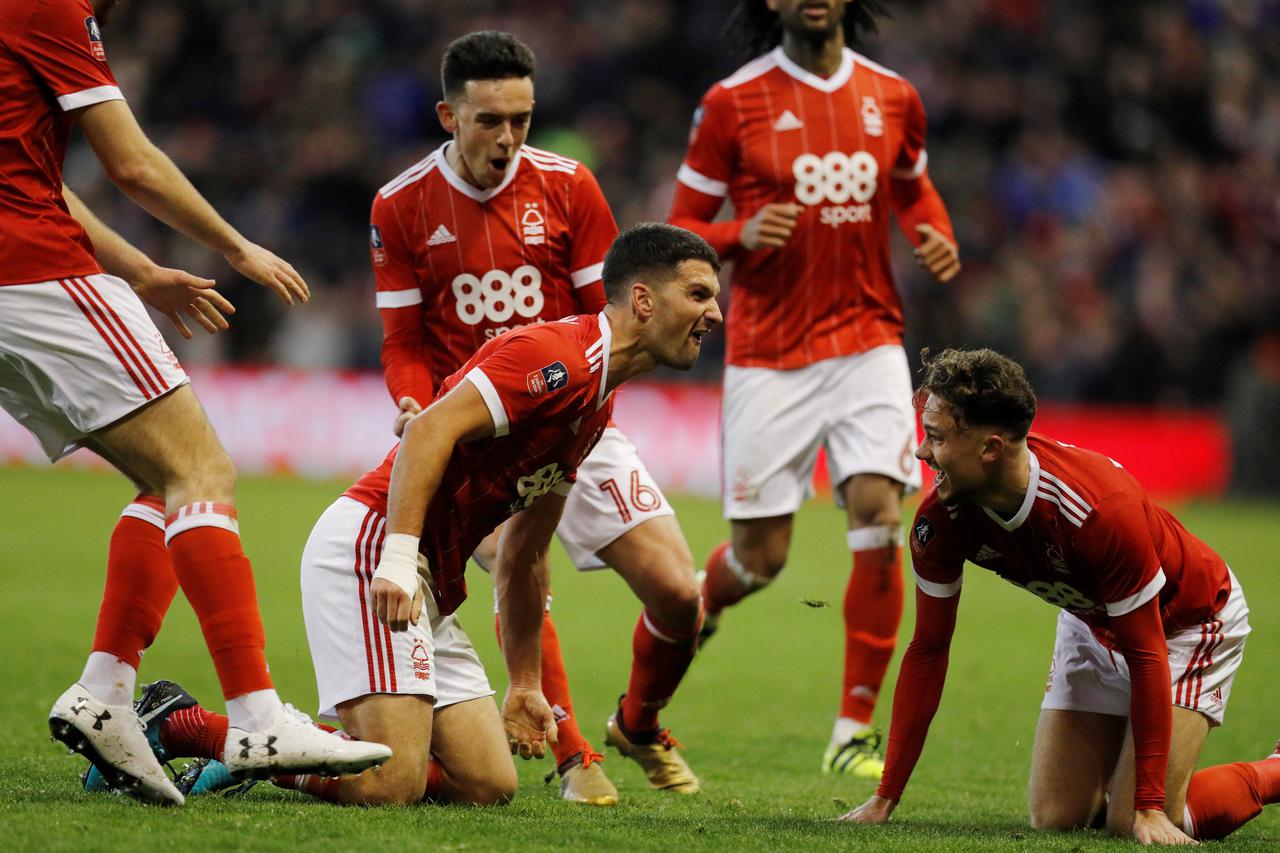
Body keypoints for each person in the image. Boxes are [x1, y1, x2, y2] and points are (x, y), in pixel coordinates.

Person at [84, 224, 723, 807]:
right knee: (392, 787)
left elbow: (526, 552)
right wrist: (398, 556)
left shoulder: (596, 408)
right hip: (373, 551)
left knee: (487, 785)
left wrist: (526, 683)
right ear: (643, 300)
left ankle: (286, 746)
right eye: (699, 295)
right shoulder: (554, 356)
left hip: (430, 582)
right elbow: (426, 433)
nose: (713, 313)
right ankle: (183, 722)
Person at [0, 0, 390, 805]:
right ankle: (255, 715)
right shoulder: (49, 7)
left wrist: (141, 271)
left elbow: (34, 175)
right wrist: (235, 244)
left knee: (164, 480)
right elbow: (132, 163)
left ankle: (104, 692)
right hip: (32, 267)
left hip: (17, 266)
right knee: (202, 469)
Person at [371, 31, 707, 800]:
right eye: (489, 119)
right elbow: (402, 340)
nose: (509, 136)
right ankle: (571, 752)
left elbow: (617, 322)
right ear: (448, 116)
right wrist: (415, 403)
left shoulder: (569, 187)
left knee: (679, 593)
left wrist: (578, 422)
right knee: (520, 562)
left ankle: (639, 721)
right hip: (482, 434)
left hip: (577, 412)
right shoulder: (399, 205)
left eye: (521, 117)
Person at [668, 0, 960, 775]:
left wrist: (937, 232)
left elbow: (912, 188)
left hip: (868, 338)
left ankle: (852, 729)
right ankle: (701, 600)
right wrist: (738, 234)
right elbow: (682, 228)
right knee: (761, 557)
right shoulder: (732, 102)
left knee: (879, 511)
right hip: (768, 351)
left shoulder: (893, 94)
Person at [840, 347, 1280, 844]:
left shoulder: (1098, 511)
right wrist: (885, 796)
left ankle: (1274, 771)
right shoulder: (940, 521)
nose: (922, 452)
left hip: (1185, 622)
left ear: (989, 450)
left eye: (937, 438)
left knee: (1136, 822)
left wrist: (1151, 808)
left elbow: (1147, 650)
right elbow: (928, 650)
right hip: (1092, 618)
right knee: (1056, 815)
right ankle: (1136, 788)